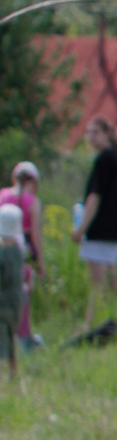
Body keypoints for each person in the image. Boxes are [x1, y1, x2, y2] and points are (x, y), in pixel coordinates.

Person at [77, 117, 117, 339]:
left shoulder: (104, 160)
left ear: (107, 133)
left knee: (97, 283)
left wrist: (81, 228)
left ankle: (91, 324)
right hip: (115, 228)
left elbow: (94, 198)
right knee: (111, 277)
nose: (91, 137)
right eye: (88, 132)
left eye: (95, 132)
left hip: (100, 229)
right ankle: (116, 317)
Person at [0, 162, 38, 348]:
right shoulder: (33, 201)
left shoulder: (2, 195)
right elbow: (36, 236)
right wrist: (41, 262)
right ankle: (24, 337)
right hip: (23, 250)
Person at [0, 202, 23, 382]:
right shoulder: (19, 251)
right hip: (16, 303)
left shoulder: (2, 254)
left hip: (2, 304)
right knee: (11, 336)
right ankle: (13, 373)